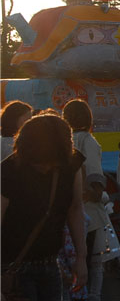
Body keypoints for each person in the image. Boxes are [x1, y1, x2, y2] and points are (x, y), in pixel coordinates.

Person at [1, 113, 88, 300]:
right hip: (14, 267)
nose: (46, 168)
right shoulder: (8, 171)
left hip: (51, 262)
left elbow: (75, 208)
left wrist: (81, 258)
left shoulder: (70, 165)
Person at [63, 98, 113, 301]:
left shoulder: (65, 140)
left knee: (71, 260)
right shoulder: (88, 141)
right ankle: (93, 296)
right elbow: (94, 174)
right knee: (94, 260)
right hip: (89, 208)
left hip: (68, 207)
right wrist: (98, 194)